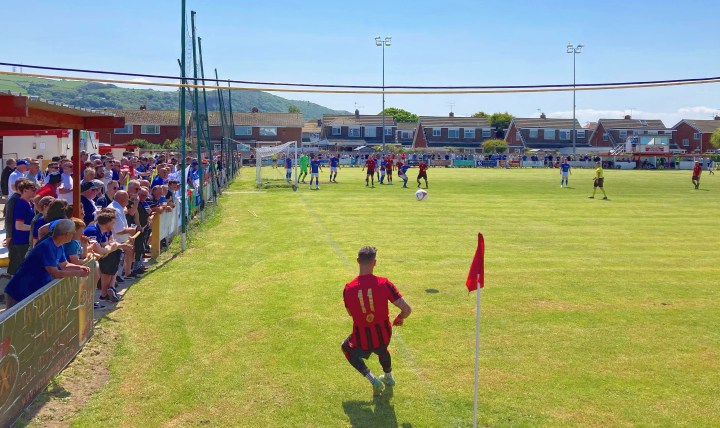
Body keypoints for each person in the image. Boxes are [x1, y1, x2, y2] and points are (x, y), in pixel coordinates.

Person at [341, 246, 412, 395]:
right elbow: (407, 309)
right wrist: (400, 317)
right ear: (375, 263)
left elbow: (350, 313)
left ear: (358, 261)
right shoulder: (385, 283)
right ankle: (388, 377)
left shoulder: (348, 289)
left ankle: (373, 379)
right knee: (382, 349)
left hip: (362, 339)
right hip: (384, 334)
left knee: (346, 348)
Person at [4, 219, 90, 309]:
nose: (73, 234)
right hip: (19, 292)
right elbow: (55, 273)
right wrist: (79, 273)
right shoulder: (46, 246)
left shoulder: (59, 245)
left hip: (32, 290)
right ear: (67, 234)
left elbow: (65, 265)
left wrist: (80, 267)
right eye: (73, 232)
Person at [8, 180, 37, 275]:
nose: (35, 191)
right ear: (25, 190)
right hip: (21, 241)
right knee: (23, 269)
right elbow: (19, 226)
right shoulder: (21, 204)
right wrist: (34, 228)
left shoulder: (30, 203)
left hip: (27, 240)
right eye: (33, 189)